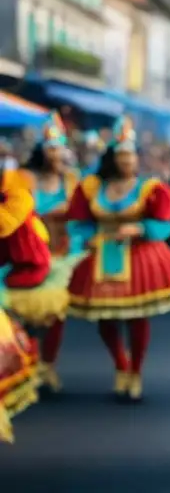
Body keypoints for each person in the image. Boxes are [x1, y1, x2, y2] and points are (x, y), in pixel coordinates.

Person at [65, 116, 170, 402]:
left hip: (138, 256)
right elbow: (80, 221)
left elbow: (165, 223)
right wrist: (85, 237)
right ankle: (120, 365)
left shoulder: (151, 189)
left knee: (137, 317)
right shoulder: (91, 188)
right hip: (100, 255)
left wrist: (140, 228)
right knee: (105, 318)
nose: (127, 161)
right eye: (122, 156)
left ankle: (136, 371)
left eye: (131, 155)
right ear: (112, 158)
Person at [0, 168, 76, 440]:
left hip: (33, 267)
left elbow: (6, 224)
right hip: (12, 270)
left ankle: (45, 367)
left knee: (48, 317)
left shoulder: (17, 194)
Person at [18, 112, 81, 392]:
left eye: (59, 148)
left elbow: (82, 217)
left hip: (59, 254)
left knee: (54, 314)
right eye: (51, 149)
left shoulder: (72, 182)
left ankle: (48, 366)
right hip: (27, 254)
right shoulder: (23, 179)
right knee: (26, 315)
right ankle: (28, 366)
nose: (55, 154)